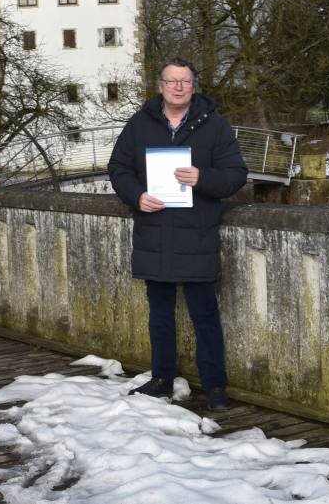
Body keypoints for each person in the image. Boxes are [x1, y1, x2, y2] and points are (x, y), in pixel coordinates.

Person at [108, 56, 248, 412]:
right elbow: (118, 167)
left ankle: (215, 386)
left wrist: (203, 178)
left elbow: (236, 174)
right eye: (171, 81)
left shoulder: (215, 125)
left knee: (205, 315)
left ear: (193, 86)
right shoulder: (140, 124)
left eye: (185, 81)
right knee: (160, 315)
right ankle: (162, 379)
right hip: (154, 232)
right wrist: (136, 196)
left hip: (197, 234)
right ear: (161, 86)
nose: (178, 87)